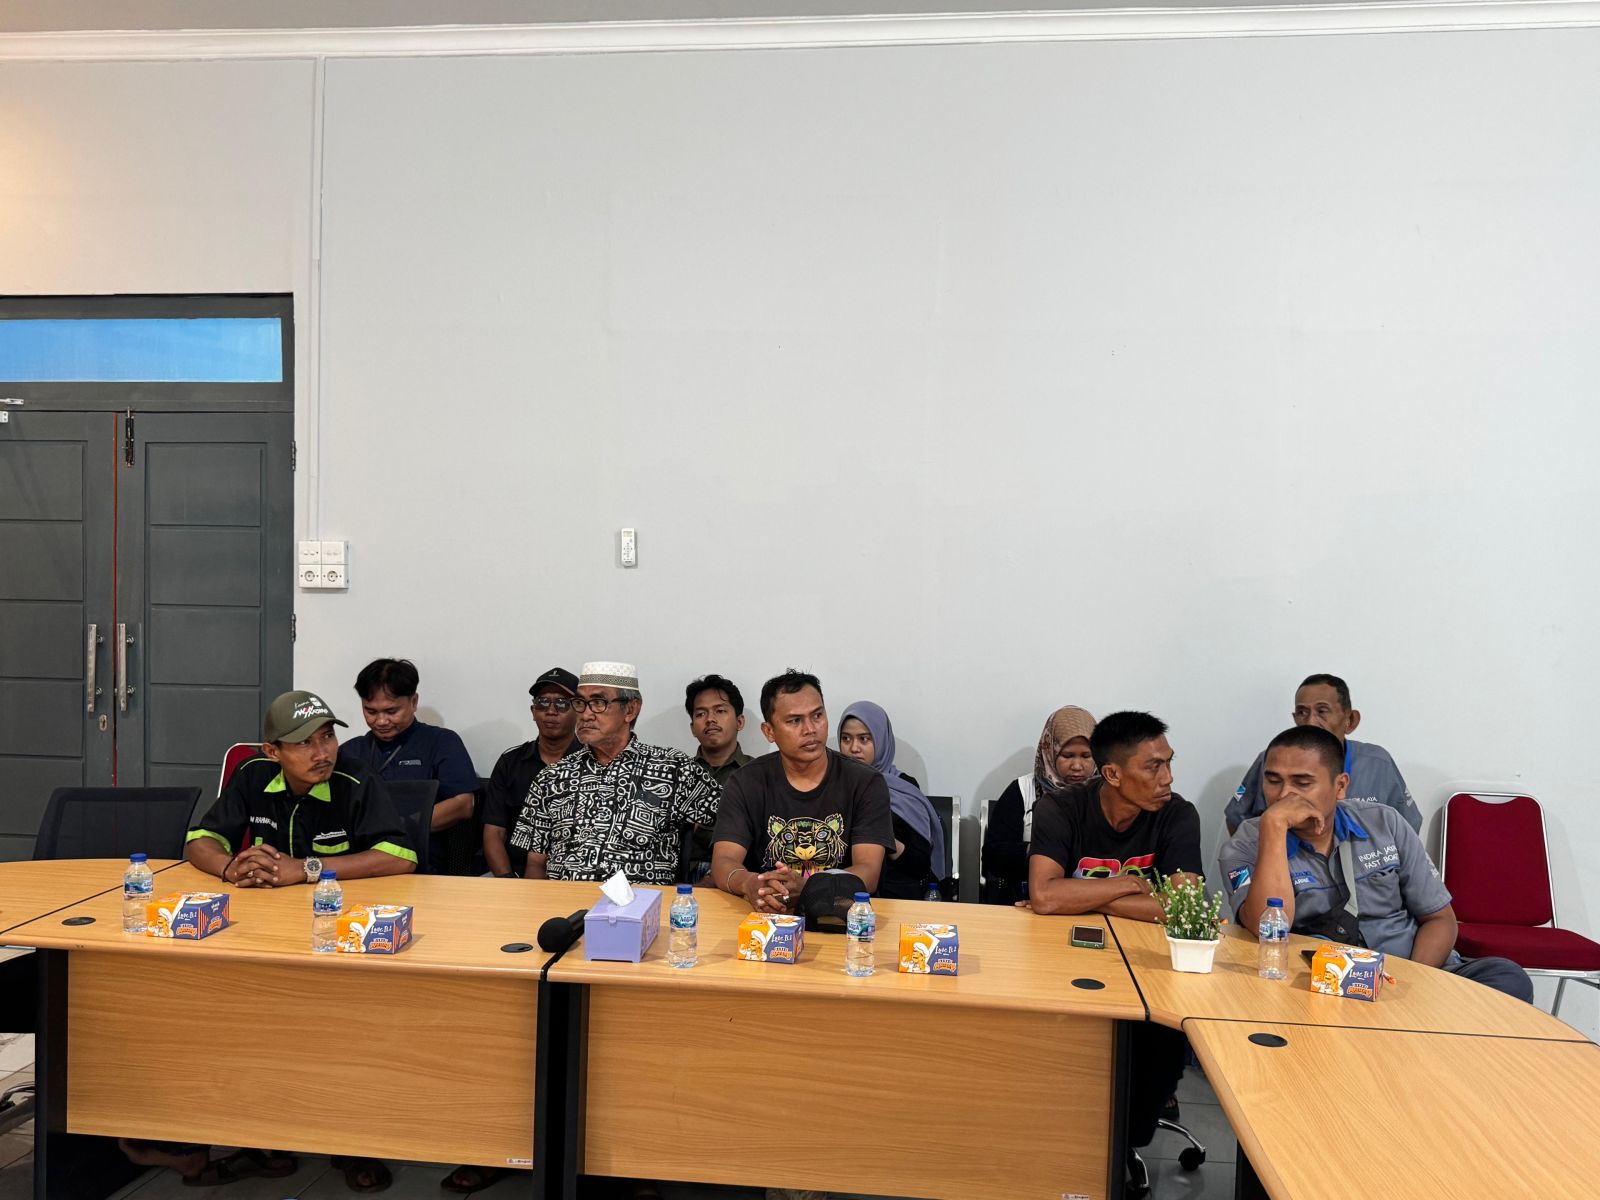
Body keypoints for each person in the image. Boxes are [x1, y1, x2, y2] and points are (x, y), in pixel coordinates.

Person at [180, 689, 414, 1194]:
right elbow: (200, 840)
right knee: (247, 1026)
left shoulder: (356, 780)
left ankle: (354, 1144)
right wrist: (230, 866)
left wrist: (305, 870)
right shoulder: (252, 776)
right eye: (305, 743)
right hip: (269, 933)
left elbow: (400, 856)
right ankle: (263, 1142)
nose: (322, 752)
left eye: (327, 737)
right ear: (273, 752)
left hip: (346, 934)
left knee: (342, 1038)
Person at [1220, 724, 1533, 1001]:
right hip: (1322, 983)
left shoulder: (1385, 823)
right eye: (1273, 781)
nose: (1284, 795)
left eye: (1302, 783)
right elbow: (1266, 927)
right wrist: (1274, 828)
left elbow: (1439, 919)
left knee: (1507, 977)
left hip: (1413, 974)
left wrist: (1412, 982)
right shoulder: (1246, 844)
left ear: (1340, 786)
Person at [1026, 710, 1201, 1158]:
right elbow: (1044, 895)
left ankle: (1123, 1149)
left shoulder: (1178, 814)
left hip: (1150, 969)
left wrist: (1086, 896)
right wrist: (1129, 886)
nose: (1167, 777)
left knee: (1159, 1052)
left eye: (1168, 763)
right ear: (1113, 774)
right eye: (1153, 766)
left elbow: (1183, 907)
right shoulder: (1061, 809)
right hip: (1067, 962)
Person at [510, 662, 720, 884]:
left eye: (598, 703)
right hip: (564, 901)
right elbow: (536, 864)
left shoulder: (673, 768)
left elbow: (736, 821)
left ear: (630, 709)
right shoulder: (551, 777)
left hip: (642, 902)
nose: (585, 715)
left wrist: (711, 881)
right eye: (580, 703)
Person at [710, 670, 895, 912]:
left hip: (842, 914)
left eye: (817, 715)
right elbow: (723, 861)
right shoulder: (745, 782)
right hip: (767, 912)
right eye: (795, 721)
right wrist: (751, 884)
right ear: (769, 732)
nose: (810, 729)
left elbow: (868, 873)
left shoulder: (865, 781)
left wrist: (809, 887)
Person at [1226, 673, 1419, 834]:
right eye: (1302, 712)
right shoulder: (1272, 761)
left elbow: (1407, 827)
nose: (1310, 722)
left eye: (1322, 711)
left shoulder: (1378, 763)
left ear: (1350, 720)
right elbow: (1237, 820)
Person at [339, 657, 480, 873]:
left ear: (413, 702)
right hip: (359, 865)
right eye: (371, 711)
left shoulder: (441, 742)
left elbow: (463, 805)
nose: (381, 721)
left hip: (423, 866)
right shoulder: (350, 752)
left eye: (391, 711)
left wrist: (396, 829)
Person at [981, 705, 1096, 905]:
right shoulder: (1022, 790)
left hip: (1093, 902)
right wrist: (1043, 851)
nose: (1077, 766)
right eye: (1068, 756)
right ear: (1049, 751)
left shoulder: (1107, 793)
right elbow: (993, 856)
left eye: (1086, 756)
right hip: (1026, 901)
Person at [837, 700, 945, 900]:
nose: (854, 748)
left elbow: (920, 864)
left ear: (881, 741)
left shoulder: (903, 786)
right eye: (846, 739)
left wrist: (881, 838)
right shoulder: (832, 784)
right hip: (841, 895)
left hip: (897, 898)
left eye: (864, 739)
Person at [482, 667, 581, 879]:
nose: (551, 711)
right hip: (512, 873)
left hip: (572, 876)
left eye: (562, 703)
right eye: (543, 703)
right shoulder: (510, 762)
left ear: (579, 711)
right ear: (533, 711)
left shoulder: (592, 763)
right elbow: (493, 834)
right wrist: (509, 883)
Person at [683, 674, 754, 880]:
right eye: (700, 714)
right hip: (681, 877)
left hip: (739, 876)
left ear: (739, 721)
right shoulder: (678, 773)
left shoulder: (757, 773)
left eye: (720, 711)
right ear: (692, 728)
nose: (710, 719)